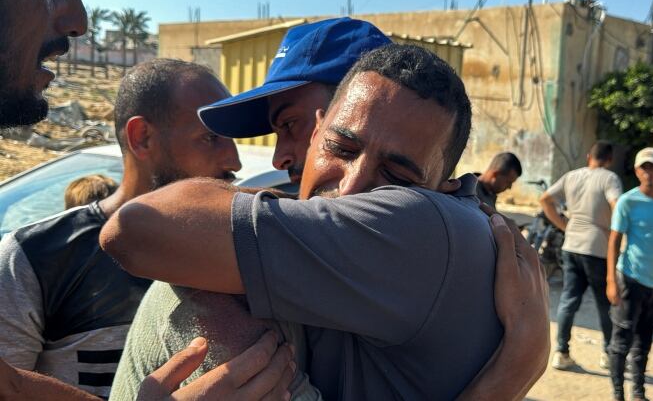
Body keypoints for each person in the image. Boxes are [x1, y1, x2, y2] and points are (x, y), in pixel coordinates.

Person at [101, 44, 550, 400]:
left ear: (443, 186)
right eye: (340, 147)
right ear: (323, 130)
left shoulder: (426, 228)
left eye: (395, 177)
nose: (352, 189)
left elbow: (138, 229)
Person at [0, 0, 326, 399]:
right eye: (210, 139)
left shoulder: (246, 255)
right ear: (143, 137)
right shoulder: (35, 260)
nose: (232, 159)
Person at [606, 147, 653, 401]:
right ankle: (618, 394)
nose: (649, 172)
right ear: (638, 172)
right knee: (622, 340)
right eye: (644, 168)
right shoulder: (628, 202)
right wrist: (611, 281)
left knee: (645, 340)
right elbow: (614, 240)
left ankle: (638, 392)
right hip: (630, 278)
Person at [540, 140, 622, 371]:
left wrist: (564, 225)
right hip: (597, 248)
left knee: (569, 299)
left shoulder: (572, 176)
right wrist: (615, 232)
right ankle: (608, 354)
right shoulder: (609, 178)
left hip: (572, 244)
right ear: (609, 160)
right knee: (604, 303)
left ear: (589, 156)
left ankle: (561, 352)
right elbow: (618, 207)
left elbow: (545, 200)